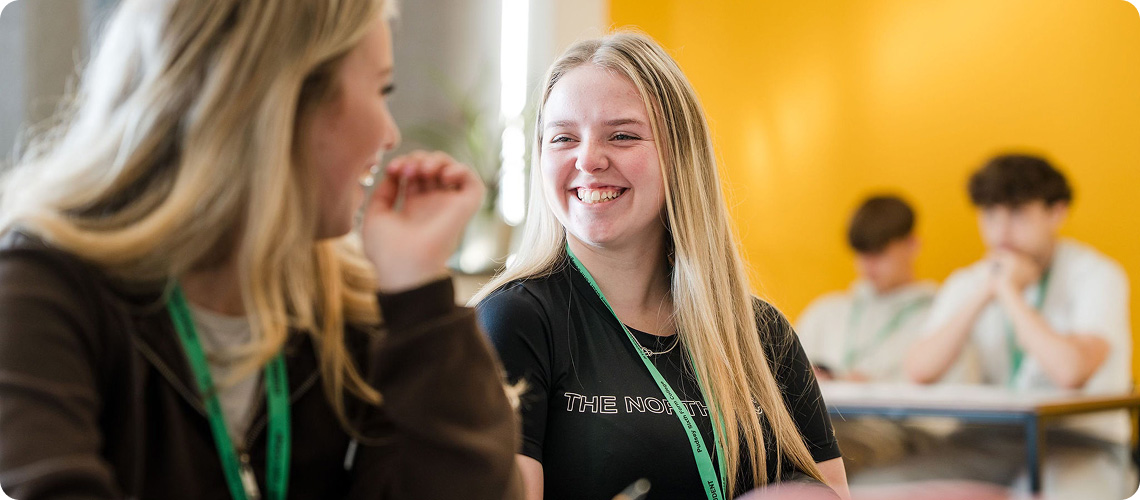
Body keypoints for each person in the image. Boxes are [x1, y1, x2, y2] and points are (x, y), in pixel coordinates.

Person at [0, 1, 522, 499]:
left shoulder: (347, 308)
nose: (390, 134)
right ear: (284, 102)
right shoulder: (41, 290)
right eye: (382, 89)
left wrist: (419, 294)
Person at [472, 32, 849, 500]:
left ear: (681, 156)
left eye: (622, 135)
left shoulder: (760, 333)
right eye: (563, 138)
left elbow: (828, 492)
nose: (588, 159)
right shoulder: (515, 321)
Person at [899, 153, 1133, 498]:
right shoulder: (971, 281)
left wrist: (1009, 292)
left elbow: (1071, 372)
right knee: (881, 485)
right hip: (989, 441)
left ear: (1057, 213)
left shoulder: (1096, 275)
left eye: (1018, 214)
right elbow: (919, 370)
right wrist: (985, 292)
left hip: (1082, 442)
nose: (1001, 232)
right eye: (990, 215)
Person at [796, 195, 936, 383]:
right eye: (861, 253)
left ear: (912, 245)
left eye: (879, 252)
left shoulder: (939, 317)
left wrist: (873, 389)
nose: (867, 265)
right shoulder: (824, 313)